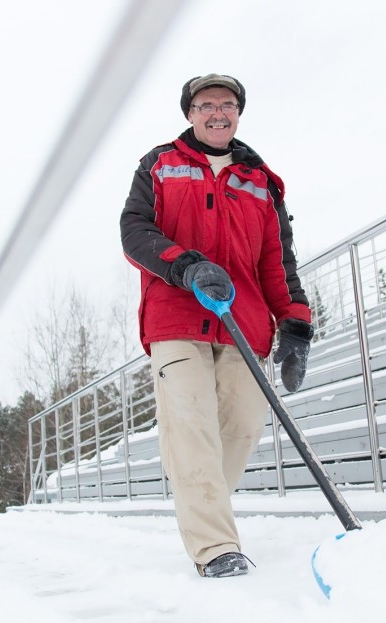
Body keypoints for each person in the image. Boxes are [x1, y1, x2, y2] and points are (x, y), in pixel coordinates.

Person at [120, 73, 314, 578]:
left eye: (227, 104)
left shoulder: (262, 182)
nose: (217, 112)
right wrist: (184, 264)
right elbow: (135, 231)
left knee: (242, 428)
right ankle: (215, 548)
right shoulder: (159, 165)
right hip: (178, 316)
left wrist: (295, 325)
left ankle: (199, 502)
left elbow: (278, 262)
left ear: (238, 113)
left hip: (244, 326)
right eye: (206, 104)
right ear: (190, 113)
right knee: (191, 425)